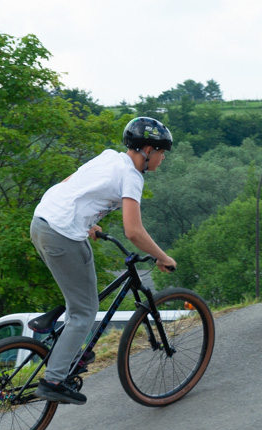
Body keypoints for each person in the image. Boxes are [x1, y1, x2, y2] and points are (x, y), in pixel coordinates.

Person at [29, 117, 176, 405]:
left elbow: (69, 185)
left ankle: (52, 327)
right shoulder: (133, 177)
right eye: (161, 152)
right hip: (62, 235)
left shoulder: (110, 157)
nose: (161, 159)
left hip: (41, 221)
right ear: (147, 150)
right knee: (85, 310)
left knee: (78, 298)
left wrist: (88, 221)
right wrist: (162, 257)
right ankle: (54, 380)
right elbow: (133, 231)